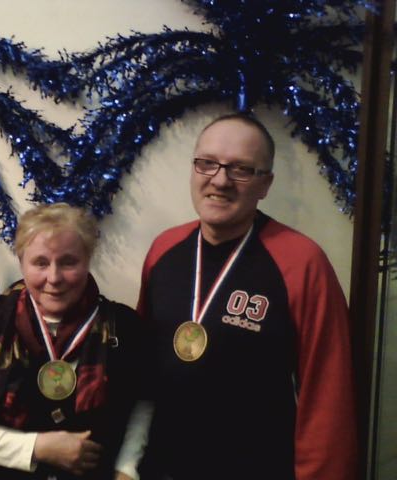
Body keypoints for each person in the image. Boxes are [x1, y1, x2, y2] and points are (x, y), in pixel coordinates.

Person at [137, 113, 356, 480]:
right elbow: (140, 370)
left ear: (265, 184)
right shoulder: (164, 248)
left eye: (241, 169)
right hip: (162, 468)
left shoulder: (302, 262)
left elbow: (328, 398)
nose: (219, 180)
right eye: (207, 163)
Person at [0, 203, 152, 480]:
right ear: (21, 261)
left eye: (69, 262)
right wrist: (38, 448)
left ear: (88, 259)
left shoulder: (124, 326)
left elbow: (141, 405)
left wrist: (127, 469)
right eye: (40, 263)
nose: (54, 278)